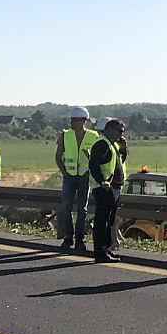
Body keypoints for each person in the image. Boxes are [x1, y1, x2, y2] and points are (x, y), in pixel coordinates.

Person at [55, 106, 100, 252]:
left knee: (82, 209)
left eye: (76, 120)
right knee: (66, 207)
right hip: (69, 176)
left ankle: (79, 238)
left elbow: (98, 157)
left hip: (85, 176)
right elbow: (58, 156)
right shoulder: (64, 135)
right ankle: (68, 237)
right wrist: (64, 172)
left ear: (84, 121)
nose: (73, 123)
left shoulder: (94, 136)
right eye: (72, 120)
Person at [88, 118, 127, 263]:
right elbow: (93, 164)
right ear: (109, 129)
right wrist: (101, 181)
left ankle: (106, 250)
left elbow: (117, 163)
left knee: (108, 223)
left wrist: (123, 151)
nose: (121, 135)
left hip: (112, 187)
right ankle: (101, 253)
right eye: (119, 131)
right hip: (104, 188)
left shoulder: (111, 144)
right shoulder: (102, 144)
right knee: (102, 222)